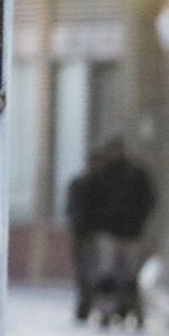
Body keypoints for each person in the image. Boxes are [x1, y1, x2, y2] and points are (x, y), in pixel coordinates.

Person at [65, 138, 157, 325]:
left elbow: (148, 199)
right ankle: (110, 311)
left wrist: (138, 219)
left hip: (128, 232)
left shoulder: (132, 174)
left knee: (127, 275)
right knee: (108, 275)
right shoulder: (102, 175)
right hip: (109, 232)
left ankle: (126, 311)